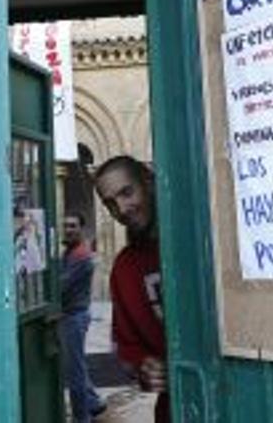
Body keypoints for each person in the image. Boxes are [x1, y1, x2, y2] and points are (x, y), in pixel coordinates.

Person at [94, 156, 169, 423]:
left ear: (148, 181)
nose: (122, 209)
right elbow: (127, 347)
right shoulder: (124, 268)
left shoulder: (199, 235)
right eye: (110, 203)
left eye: (127, 192)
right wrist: (145, 366)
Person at [60, 212, 106, 422]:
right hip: (74, 314)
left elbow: (62, 285)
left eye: (73, 226)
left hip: (74, 317)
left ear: (81, 229)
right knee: (77, 363)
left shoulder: (80, 256)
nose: (68, 230)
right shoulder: (71, 252)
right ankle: (94, 403)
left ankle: (81, 417)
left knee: (75, 371)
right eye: (66, 226)